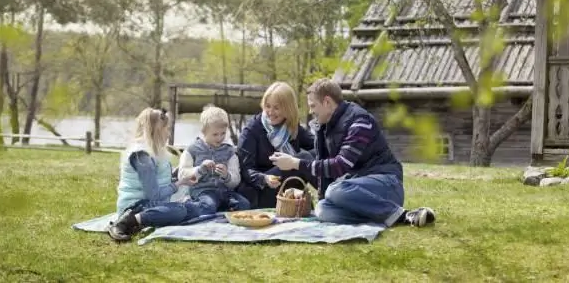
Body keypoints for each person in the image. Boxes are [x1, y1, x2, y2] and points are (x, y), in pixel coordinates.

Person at [270, 78, 436, 227]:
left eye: (313, 106)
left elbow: (341, 165)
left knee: (335, 190)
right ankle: (382, 216)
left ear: (327, 102)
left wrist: (295, 163)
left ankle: (402, 214)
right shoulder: (324, 126)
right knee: (323, 210)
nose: (311, 111)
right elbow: (325, 173)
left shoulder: (359, 121)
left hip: (385, 185)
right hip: (357, 190)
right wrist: (322, 198)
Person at [109, 108, 202, 242]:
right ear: (157, 130)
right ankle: (127, 221)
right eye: (167, 129)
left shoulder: (154, 151)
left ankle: (142, 220)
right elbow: (153, 195)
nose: (168, 134)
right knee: (180, 210)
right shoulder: (142, 157)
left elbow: (159, 178)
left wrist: (180, 176)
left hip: (150, 204)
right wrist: (179, 184)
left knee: (194, 210)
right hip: (136, 206)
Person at [237, 81, 317, 209]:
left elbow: (317, 147)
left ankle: (330, 193)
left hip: (288, 186)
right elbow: (245, 170)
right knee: (302, 158)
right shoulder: (252, 130)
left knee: (310, 155)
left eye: (276, 107)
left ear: (288, 108)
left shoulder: (291, 127)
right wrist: (264, 178)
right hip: (262, 190)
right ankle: (329, 195)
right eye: (267, 106)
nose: (270, 112)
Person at [177, 106, 250, 213]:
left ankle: (215, 210)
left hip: (225, 192)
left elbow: (235, 180)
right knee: (209, 205)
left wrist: (226, 175)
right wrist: (200, 169)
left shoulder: (230, 152)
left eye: (223, 133)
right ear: (203, 131)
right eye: (215, 134)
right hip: (203, 192)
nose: (220, 138)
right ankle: (188, 205)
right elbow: (182, 175)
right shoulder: (192, 149)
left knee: (244, 204)